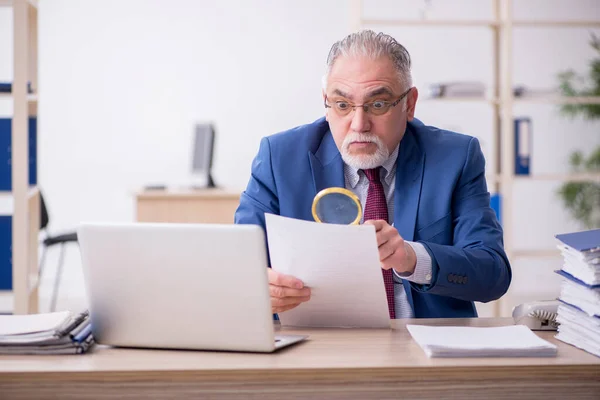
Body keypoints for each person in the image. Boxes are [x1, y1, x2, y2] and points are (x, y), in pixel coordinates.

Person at [234, 30, 511, 319]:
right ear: (326, 103)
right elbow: (238, 266)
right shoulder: (279, 157)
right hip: (315, 346)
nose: (359, 124)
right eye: (342, 105)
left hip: (421, 348)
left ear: (409, 104)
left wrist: (412, 258)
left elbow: (492, 274)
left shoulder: (455, 157)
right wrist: (260, 289)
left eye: (377, 104)